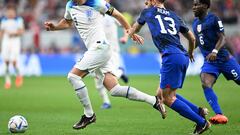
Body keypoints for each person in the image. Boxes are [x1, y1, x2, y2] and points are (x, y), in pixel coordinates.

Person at [44, 0, 165, 130]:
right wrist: (55, 27)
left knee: (73, 77)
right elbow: (67, 22)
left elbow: (118, 15)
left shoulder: (97, 3)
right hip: (96, 50)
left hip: (100, 47)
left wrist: (130, 32)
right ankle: (154, 101)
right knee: (114, 89)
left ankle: (89, 115)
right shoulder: (70, 5)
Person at [128, 0, 211, 134]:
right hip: (182, 56)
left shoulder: (148, 12)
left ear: (154, 1)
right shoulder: (174, 15)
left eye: (148, 0)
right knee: (161, 94)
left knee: (167, 98)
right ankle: (198, 111)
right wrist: (190, 52)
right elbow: (192, 38)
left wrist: (129, 35)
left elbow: (135, 28)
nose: (145, 2)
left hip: (171, 56)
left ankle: (202, 123)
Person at [192, 0, 240, 124]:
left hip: (224, 59)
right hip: (210, 62)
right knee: (205, 83)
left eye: (197, 5)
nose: (194, 7)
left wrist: (215, 51)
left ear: (206, 6)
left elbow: (223, 37)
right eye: (193, 5)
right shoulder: (195, 23)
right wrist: (189, 50)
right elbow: (198, 40)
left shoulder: (214, 18)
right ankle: (219, 115)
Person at [95, 0, 129, 109]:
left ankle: (120, 71)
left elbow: (125, 25)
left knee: (112, 76)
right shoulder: (93, 13)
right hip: (98, 50)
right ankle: (106, 102)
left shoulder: (112, 14)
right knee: (97, 78)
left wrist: (125, 37)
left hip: (112, 50)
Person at [0, 5, 24, 89]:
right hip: (6, 41)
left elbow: (21, 32)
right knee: (6, 62)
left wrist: (13, 33)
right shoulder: (4, 20)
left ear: (14, 12)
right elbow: (2, 32)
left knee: (14, 61)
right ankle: (8, 81)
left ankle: (18, 75)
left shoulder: (18, 20)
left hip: (15, 41)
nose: (10, 13)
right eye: (9, 12)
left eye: (12, 12)